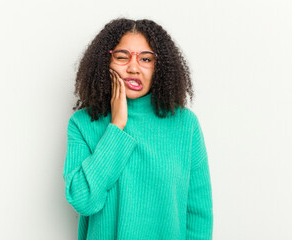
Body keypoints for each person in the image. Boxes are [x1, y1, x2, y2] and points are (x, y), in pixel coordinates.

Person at [63, 18, 213, 240]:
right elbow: (83, 200)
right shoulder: (83, 123)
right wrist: (116, 126)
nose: (133, 68)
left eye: (145, 59)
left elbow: (198, 215)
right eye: (122, 57)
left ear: (159, 66)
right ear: (106, 60)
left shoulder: (185, 124)